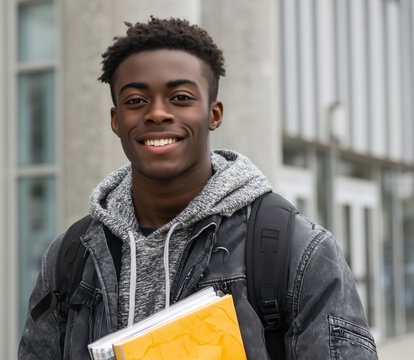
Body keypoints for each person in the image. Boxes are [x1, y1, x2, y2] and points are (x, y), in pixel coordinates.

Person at [19, 17, 378, 360]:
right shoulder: (69, 257)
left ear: (214, 114)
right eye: (135, 101)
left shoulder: (297, 251)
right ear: (116, 120)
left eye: (180, 98)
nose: (157, 113)